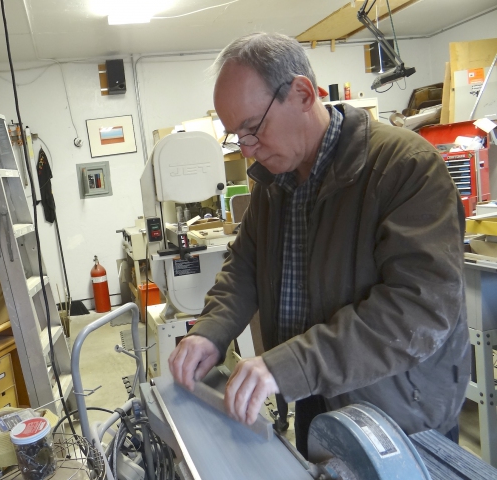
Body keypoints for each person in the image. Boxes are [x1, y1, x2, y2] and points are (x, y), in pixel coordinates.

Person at [168, 32, 470, 458]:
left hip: (398, 415)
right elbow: (244, 268)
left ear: (303, 93)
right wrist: (210, 332)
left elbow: (418, 311)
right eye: (238, 136)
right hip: (316, 396)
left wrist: (291, 366)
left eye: (253, 129)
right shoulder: (275, 185)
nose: (249, 151)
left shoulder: (406, 168)